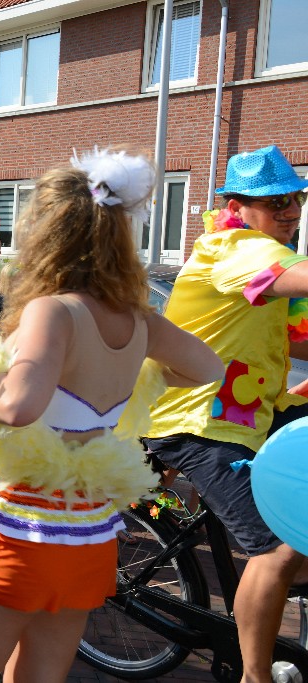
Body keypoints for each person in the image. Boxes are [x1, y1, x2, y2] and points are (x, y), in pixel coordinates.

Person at [0, 148, 223, 683]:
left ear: (49, 232)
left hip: (21, 534)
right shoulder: (139, 321)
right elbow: (208, 367)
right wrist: (139, 378)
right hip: (90, 540)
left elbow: (19, 406)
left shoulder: (55, 310)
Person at [143, 145, 308, 683]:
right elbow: (294, 278)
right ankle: (254, 675)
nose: (291, 210)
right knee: (279, 547)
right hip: (201, 424)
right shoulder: (235, 247)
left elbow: (289, 346)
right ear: (238, 207)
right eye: (276, 201)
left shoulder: (270, 254)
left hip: (253, 419)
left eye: (297, 198)